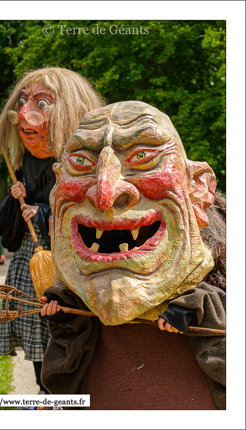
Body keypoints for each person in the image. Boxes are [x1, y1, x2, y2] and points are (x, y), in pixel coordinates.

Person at [39, 101, 225, 410]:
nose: (105, 194)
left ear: (199, 186)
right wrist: (65, 311)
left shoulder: (218, 294)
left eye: (144, 157)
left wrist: (196, 310)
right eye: (82, 163)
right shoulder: (79, 291)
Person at [0, 67, 105, 394]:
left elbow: (91, 212)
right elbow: (17, 213)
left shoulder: (92, 161)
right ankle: (47, 388)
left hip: (71, 258)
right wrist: (18, 199)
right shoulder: (27, 161)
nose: (23, 114)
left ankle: (74, 394)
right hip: (34, 257)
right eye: (24, 101)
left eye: (42, 102)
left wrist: (42, 211)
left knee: (73, 328)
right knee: (37, 326)